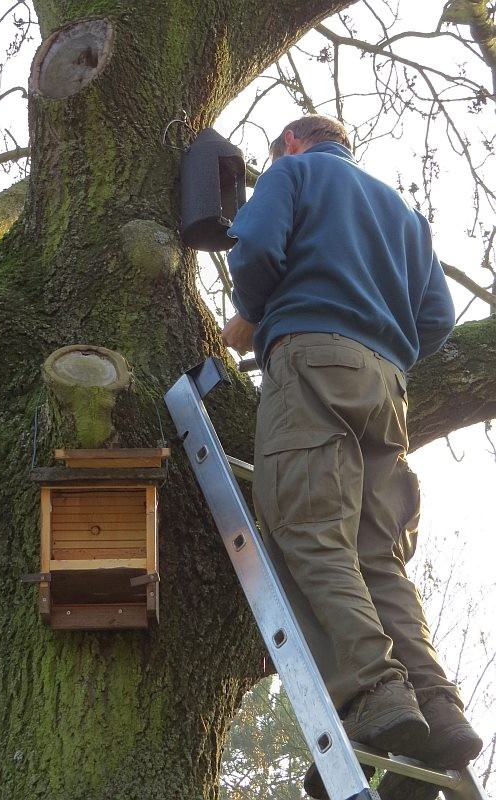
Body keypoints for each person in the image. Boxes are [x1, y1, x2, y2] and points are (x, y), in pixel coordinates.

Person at [221, 115, 482, 800]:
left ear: (294, 141)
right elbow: (437, 320)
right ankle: (437, 709)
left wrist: (259, 312)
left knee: (308, 528)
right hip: (387, 383)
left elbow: (251, 249)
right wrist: (378, 341)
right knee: (377, 555)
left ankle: (374, 697)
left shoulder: (294, 172)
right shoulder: (403, 214)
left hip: (313, 358)